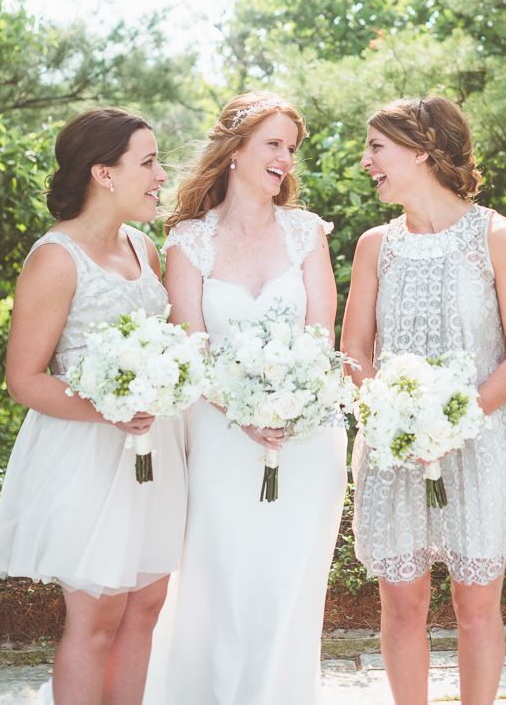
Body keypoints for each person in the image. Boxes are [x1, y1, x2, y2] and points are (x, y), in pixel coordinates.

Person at [144, 91, 347, 705]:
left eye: (292, 147)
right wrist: (246, 412)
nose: (286, 157)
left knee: (291, 581)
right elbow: (192, 349)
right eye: (274, 144)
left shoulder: (307, 233)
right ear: (235, 151)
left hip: (308, 436)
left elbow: (321, 333)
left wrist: (292, 403)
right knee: (224, 575)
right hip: (219, 434)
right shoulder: (188, 241)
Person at [341, 96, 506, 705]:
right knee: (401, 603)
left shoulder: (500, 237)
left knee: (475, 603)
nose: (366, 161)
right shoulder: (377, 245)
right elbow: (353, 350)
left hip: (478, 443)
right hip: (392, 446)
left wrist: (455, 420)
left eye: (377, 147)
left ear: (422, 152)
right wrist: (394, 418)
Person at [0, 108, 187, 705]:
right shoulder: (55, 258)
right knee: (97, 617)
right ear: (103, 172)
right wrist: (110, 408)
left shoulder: (144, 248)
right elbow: (24, 378)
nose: (160, 175)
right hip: (89, 457)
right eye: (148, 162)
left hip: (154, 450)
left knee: (145, 606)